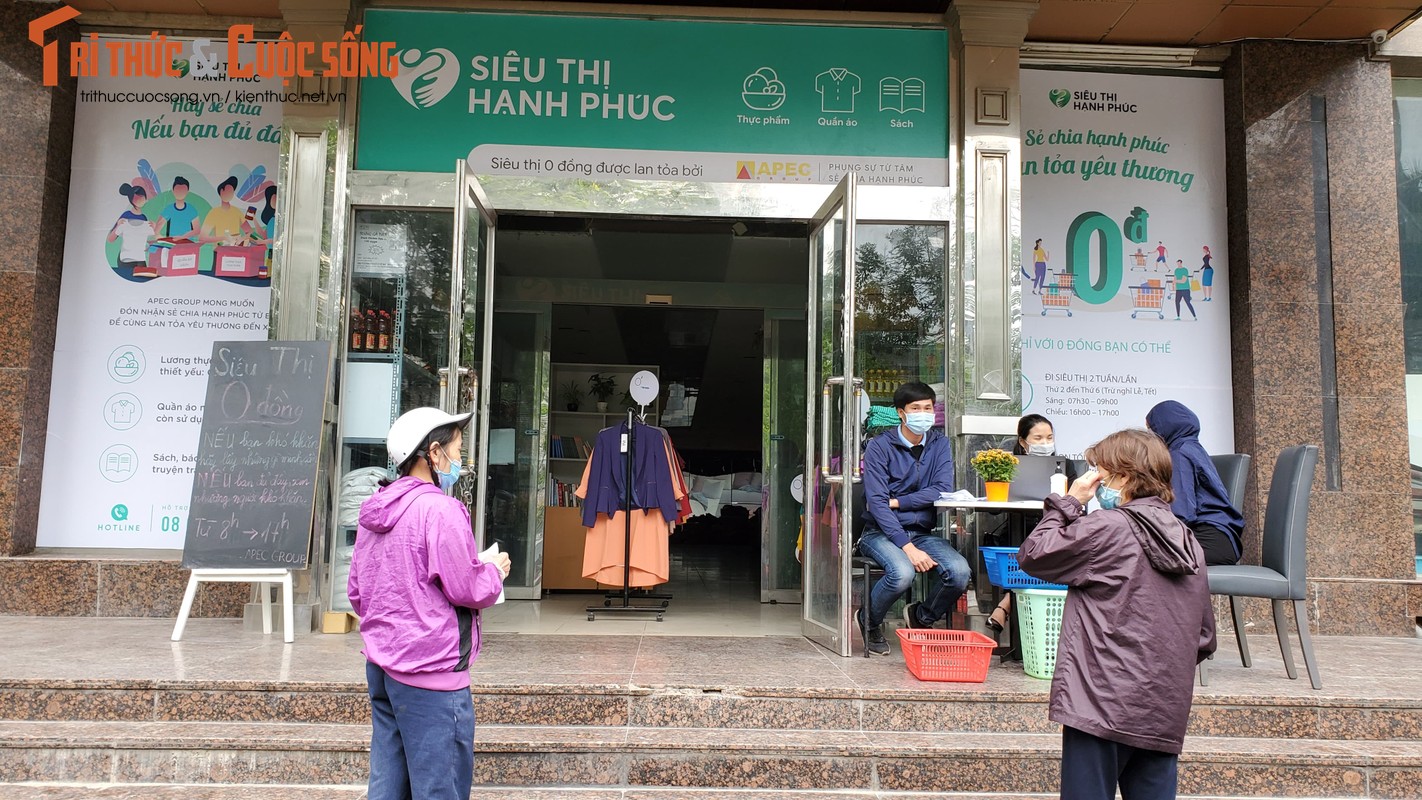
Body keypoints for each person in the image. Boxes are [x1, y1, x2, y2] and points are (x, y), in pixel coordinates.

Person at [1019, 429, 1216, 800]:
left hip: (1100, 699)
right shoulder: (1188, 539)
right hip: (1162, 707)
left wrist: (1067, 502)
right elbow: (1204, 636)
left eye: (1100, 473)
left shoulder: (1106, 527)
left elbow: (1035, 555)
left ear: (1124, 477)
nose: (1097, 482)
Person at [349, 407, 511, 800]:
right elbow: (467, 588)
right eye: (457, 449)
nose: (461, 460)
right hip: (432, 673)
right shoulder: (440, 509)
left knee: (388, 784)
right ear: (433, 454)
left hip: (383, 665)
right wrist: (494, 572)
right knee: (440, 788)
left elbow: (357, 591)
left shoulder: (377, 510)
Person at [857, 381, 970, 656]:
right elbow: (878, 505)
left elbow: (942, 489)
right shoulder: (879, 447)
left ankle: (922, 615)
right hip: (880, 533)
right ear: (901, 413)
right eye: (915, 408)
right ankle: (869, 621)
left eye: (928, 408)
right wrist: (908, 548)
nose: (923, 414)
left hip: (921, 531)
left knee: (959, 573)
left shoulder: (939, 444)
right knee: (902, 574)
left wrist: (900, 501)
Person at [984, 413, 1077, 633]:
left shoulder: (1065, 465)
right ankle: (1010, 606)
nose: (1045, 443)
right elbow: (993, 507)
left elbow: (1075, 503)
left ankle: (1006, 603)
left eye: (1049, 437)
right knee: (1024, 548)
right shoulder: (1007, 464)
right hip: (1020, 528)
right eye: (1038, 438)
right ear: (1023, 441)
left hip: (1057, 530)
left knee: (1050, 548)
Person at [1146, 400, 1246, 566]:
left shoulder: (1178, 454)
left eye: (1150, 427)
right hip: (1221, 540)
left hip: (1208, 540)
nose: (1149, 434)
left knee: (1141, 557)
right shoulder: (1192, 448)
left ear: (1163, 426)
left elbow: (1181, 512)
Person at [107, 183, 155, 279]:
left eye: (142, 197)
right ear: (131, 200)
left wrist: (153, 228)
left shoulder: (144, 217)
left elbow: (144, 238)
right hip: (126, 258)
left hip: (140, 258)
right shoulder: (126, 216)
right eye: (137, 198)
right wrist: (118, 226)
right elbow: (110, 239)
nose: (140, 200)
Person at [201, 176, 247, 244]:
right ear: (221, 191)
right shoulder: (214, 213)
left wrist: (242, 239)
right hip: (220, 250)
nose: (229, 194)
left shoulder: (236, 211)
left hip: (236, 250)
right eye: (228, 191)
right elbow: (202, 237)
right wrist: (223, 238)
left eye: (232, 192)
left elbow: (249, 232)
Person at [154, 177, 200, 242]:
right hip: (172, 243)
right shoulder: (168, 209)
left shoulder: (191, 209)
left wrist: (182, 237)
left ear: (187, 191)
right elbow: (158, 228)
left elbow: (197, 230)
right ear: (173, 191)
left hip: (188, 243)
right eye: (178, 190)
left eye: (183, 190)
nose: (180, 193)